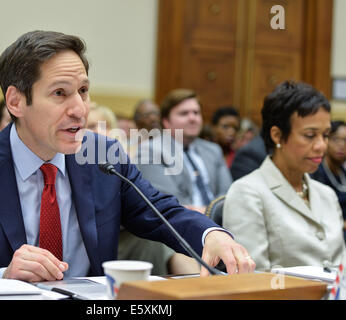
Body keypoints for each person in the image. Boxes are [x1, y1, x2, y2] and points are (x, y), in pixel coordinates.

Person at [0, 31, 254, 284]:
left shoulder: (102, 156)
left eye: (83, 91)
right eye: (60, 93)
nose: (79, 109)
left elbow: (160, 211)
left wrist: (211, 234)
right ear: (16, 102)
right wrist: (2, 274)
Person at [223, 81, 346, 271]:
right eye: (310, 135)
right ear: (277, 135)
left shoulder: (326, 194)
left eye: (326, 135)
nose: (322, 145)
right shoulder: (247, 193)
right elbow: (253, 281)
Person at [87, 104, 199, 275]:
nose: (100, 131)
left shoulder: (122, 159)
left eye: (105, 125)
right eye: (91, 126)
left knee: (165, 235)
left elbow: (147, 203)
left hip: (129, 231)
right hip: (103, 242)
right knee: (155, 241)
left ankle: (199, 288)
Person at [137, 88, 232, 214]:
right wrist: (211, 213)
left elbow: (228, 195)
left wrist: (212, 213)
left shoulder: (213, 150)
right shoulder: (150, 151)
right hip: (180, 227)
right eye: (184, 113)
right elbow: (169, 203)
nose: (192, 118)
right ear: (166, 122)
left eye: (196, 112)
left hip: (220, 223)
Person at [312, 120, 346, 241]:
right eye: (336, 139)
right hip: (329, 234)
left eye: (345, 140)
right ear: (326, 141)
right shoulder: (316, 172)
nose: (342, 145)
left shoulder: (343, 172)